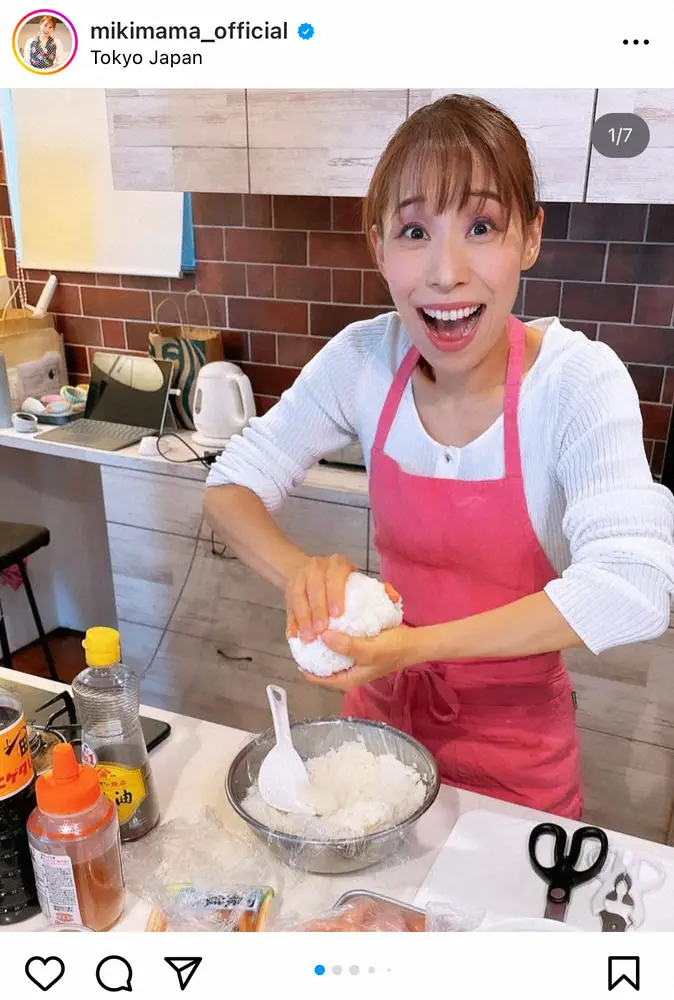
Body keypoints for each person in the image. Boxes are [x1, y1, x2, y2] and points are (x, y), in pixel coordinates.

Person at [203, 94, 674, 819]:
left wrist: (414, 648)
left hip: (519, 758)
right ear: (379, 248)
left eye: (481, 227)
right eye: (415, 231)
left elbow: (634, 589)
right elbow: (231, 483)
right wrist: (300, 574)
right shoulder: (364, 360)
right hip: (376, 747)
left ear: (530, 237)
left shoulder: (576, 382)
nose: (446, 272)